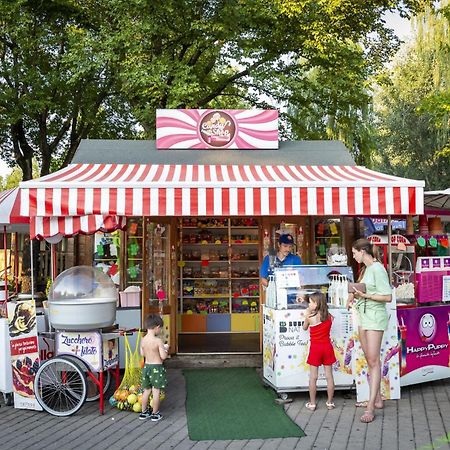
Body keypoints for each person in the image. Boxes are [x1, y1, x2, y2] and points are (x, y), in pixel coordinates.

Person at [346, 238, 392, 424]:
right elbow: (362, 289)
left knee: (373, 361)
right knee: (370, 359)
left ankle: (371, 406)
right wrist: (352, 296)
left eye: (355, 252)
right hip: (363, 317)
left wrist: (366, 296)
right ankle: (377, 398)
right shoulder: (366, 270)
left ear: (363, 252)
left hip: (374, 318)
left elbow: (387, 296)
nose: (354, 256)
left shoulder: (378, 269)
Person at [302, 291, 336, 411]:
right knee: (329, 376)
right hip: (327, 347)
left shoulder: (310, 317)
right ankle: (330, 403)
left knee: (313, 377)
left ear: (316, 304)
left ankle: (312, 404)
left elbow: (304, 328)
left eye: (310, 302)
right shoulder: (329, 316)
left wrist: (307, 314)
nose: (309, 304)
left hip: (315, 348)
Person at [139, 314, 169, 421]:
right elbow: (163, 357)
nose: (160, 330)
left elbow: (142, 353)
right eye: (160, 328)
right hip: (157, 368)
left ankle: (143, 412)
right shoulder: (158, 341)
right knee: (156, 391)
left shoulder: (143, 340)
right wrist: (166, 349)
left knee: (146, 391)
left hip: (147, 367)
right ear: (157, 327)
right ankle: (155, 413)